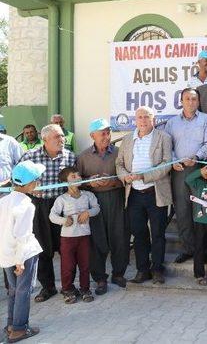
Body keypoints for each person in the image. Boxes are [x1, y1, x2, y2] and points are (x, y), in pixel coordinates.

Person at [115, 106, 173, 285]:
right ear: (135, 120)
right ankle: (142, 270)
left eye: (146, 117)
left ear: (153, 119)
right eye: (139, 117)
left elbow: (166, 164)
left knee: (157, 233)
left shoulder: (163, 137)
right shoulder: (127, 139)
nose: (143, 120)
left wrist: (143, 176)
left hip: (155, 192)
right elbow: (119, 163)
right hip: (133, 194)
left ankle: (157, 269)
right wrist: (125, 176)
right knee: (139, 234)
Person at [19, 124, 76, 303]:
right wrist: (29, 189)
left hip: (63, 206)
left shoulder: (70, 157)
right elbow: (19, 180)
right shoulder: (30, 156)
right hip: (39, 206)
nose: (62, 140)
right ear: (45, 140)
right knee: (43, 248)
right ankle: (48, 286)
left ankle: (68, 286)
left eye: (62, 137)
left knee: (66, 248)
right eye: (57, 137)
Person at [77, 118, 128, 294]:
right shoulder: (83, 157)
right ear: (93, 135)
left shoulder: (119, 153)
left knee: (119, 237)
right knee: (97, 240)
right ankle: (99, 278)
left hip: (116, 198)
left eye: (108, 132)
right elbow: (78, 182)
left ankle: (119, 273)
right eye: (102, 133)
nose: (106, 136)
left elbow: (128, 177)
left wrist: (113, 181)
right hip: (93, 201)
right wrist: (90, 183)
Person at [164, 88, 207, 264]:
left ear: (198, 102)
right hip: (179, 171)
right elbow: (167, 146)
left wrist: (197, 156)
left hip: (200, 169)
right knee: (183, 210)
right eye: (187, 99)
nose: (191, 102)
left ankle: (204, 250)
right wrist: (173, 161)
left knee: (201, 209)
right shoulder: (171, 123)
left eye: (194, 99)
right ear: (181, 101)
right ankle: (188, 249)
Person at [1, 161, 45, 343]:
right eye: (36, 180)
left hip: (6, 255)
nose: (38, 183)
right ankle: (19, 329)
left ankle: (11, 325)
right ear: (29, 184)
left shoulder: (3, 201)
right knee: (24, 290)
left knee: (13, 290)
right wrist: (20, 261)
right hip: (23, 255)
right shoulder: (27, 205)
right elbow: (23, 235)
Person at [49, 167, 100, 304]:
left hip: (84, 236)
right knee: (68, 266)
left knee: (85, 265)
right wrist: (63, 220)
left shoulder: (88, 195)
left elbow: (97, 208)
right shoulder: (62, 199)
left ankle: (85, 289)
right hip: (67, 238)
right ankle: (68, 290)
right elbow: (52, 215)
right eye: (73, 176)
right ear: (65, 182)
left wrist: (88, 212)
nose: (77, 178)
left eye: (78, 175)